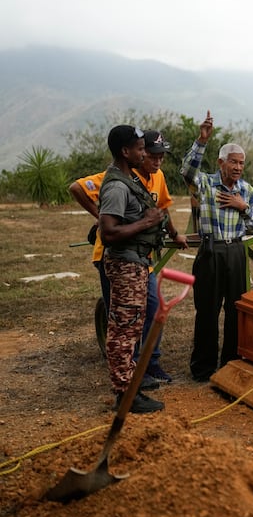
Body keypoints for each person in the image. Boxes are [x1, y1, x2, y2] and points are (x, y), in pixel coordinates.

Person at [69, 130, 188, 385]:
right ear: (131, 152)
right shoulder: (117, 181)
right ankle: (126, 377)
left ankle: (147, 364)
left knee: (149, 309)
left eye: (159, 156)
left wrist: (175, 233)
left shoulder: (156, 178)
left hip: (141, 259)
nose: (155, 160)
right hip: (117, 257)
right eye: (149, 153)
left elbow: (161, 209)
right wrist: (101, 216)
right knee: (122, 320)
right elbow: (77, 188)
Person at [180, 110, 253, 382]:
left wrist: (243, 207)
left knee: (236, 309)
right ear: (221, 162)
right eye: (233, 162)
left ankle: (231, 364)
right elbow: (187, 171)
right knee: (207, 310)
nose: (238, 167)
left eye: (241, 163)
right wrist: (202, 140)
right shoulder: (205, 183)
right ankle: (203, 369)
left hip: (237, 251)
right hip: (211, 250)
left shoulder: (247, 191)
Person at [97, 125, 166, 413]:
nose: (144, 152)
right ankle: (125, 394)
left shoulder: (130, 180)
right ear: (125, 152)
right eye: (139, 148)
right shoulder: (116, 186)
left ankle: (131, 386)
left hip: (136, 264)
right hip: (125, 265)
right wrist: (146, 223)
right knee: (123, 331)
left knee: (131, 327)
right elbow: (108, 233)